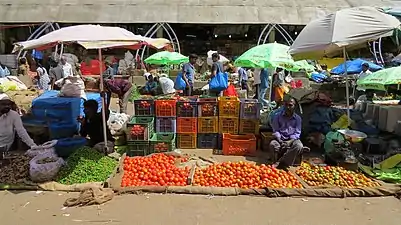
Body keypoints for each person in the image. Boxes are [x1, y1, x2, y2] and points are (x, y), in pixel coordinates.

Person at [269, 97, 303, 168]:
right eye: (286, 105)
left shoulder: (298, 119)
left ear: (294, 107)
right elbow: (276, 130)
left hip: (292, 139)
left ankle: (281, 162)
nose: (288, 107)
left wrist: (290, 141)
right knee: (273, 144)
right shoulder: (277, 116)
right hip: (280, 138)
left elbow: (297, 133)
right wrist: (279, 140)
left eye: (290, 105)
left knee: (299, 146)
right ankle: (277, 160)